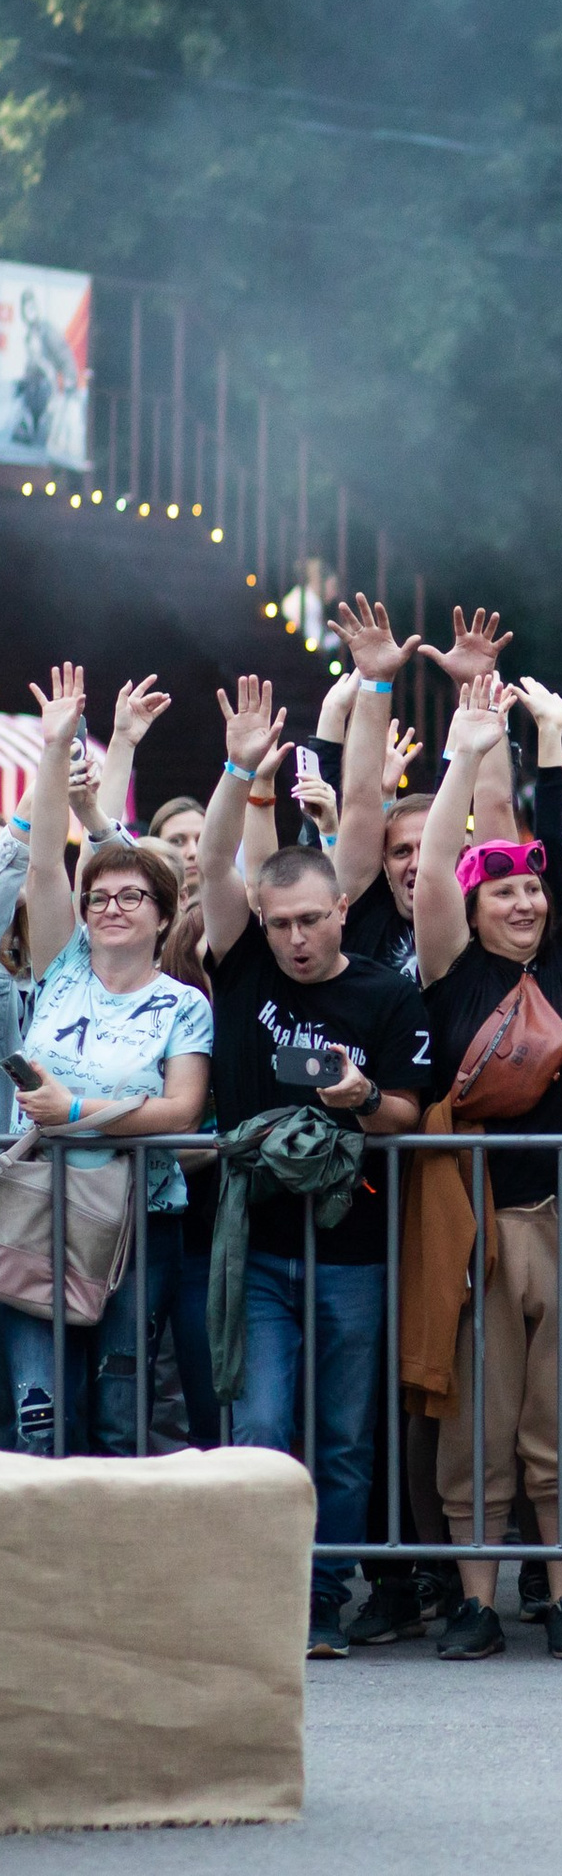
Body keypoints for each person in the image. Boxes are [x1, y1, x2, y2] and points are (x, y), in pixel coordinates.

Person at [199, 675, 430, 1660]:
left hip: (353, 1247)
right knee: (258, 1430)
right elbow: (211, 863)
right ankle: (257, 1601)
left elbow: (412, 1113)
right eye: (279, 921)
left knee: (340, 1440)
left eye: (310, 919)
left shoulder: (385, 994)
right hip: (254, 1243)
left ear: (343, 906)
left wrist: (359, 1101)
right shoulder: (242, 960)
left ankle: (320, 1602)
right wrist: (237, 768)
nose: (294, 938)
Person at [411, 670, 562, 1662]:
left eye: (533, 887)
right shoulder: (453, 969)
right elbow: (425, 881)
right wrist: (463, 754)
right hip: (484, 1228)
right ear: (477, 901)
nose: (527, 901)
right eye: (506, 889)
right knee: (480, 1422)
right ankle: (476, 1602)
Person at [2, 665, 214, 1457]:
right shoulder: (61, 967)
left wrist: (76, 1114)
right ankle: (36, 1581)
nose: (110, 908)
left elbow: (183, 1110)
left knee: (122, 1411)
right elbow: (44, 868)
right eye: (101, 899)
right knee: (39, 1408)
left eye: (131, 897)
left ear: (163, 915)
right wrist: (57, 747)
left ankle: (116, 1579)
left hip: (137, 1222)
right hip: (40, 1212)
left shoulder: (184, 1004)